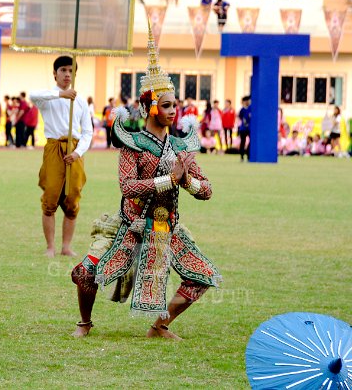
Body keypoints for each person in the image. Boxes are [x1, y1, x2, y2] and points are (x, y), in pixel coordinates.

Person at [70, 29, 220, 340]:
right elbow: (128, 186)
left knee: (202, 277)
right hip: (130, 226)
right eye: (166, 105)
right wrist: (169, 179)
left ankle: (160, 326)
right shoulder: (133, 144)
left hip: (166, 229)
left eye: (174, 105)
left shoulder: (180, 147)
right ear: (150, 106)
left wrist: (188, 180)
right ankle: (84, 322)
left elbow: (207, 190)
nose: (172, 111)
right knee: (84, 273)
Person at [30, 57, 94, 258]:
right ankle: (50, 247)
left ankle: (66, 246)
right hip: (54, 148)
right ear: (55, 73)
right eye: (63, 70)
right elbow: (33, 95)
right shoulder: (48, 98)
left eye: (71, 70)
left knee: (72, 198)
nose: (67, 74)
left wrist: (77, 153)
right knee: (50, 197)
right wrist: (60, 94)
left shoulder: (81, 102)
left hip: (74, 150)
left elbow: (87, 132)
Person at [238, 96, 251, 161]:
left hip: (250, 128)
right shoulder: (242, 110)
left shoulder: (251, 108)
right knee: (242, 142)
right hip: (243, 128)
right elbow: (240, 118)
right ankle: (242, 156)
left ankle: (248, 154)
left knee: (251, 142)